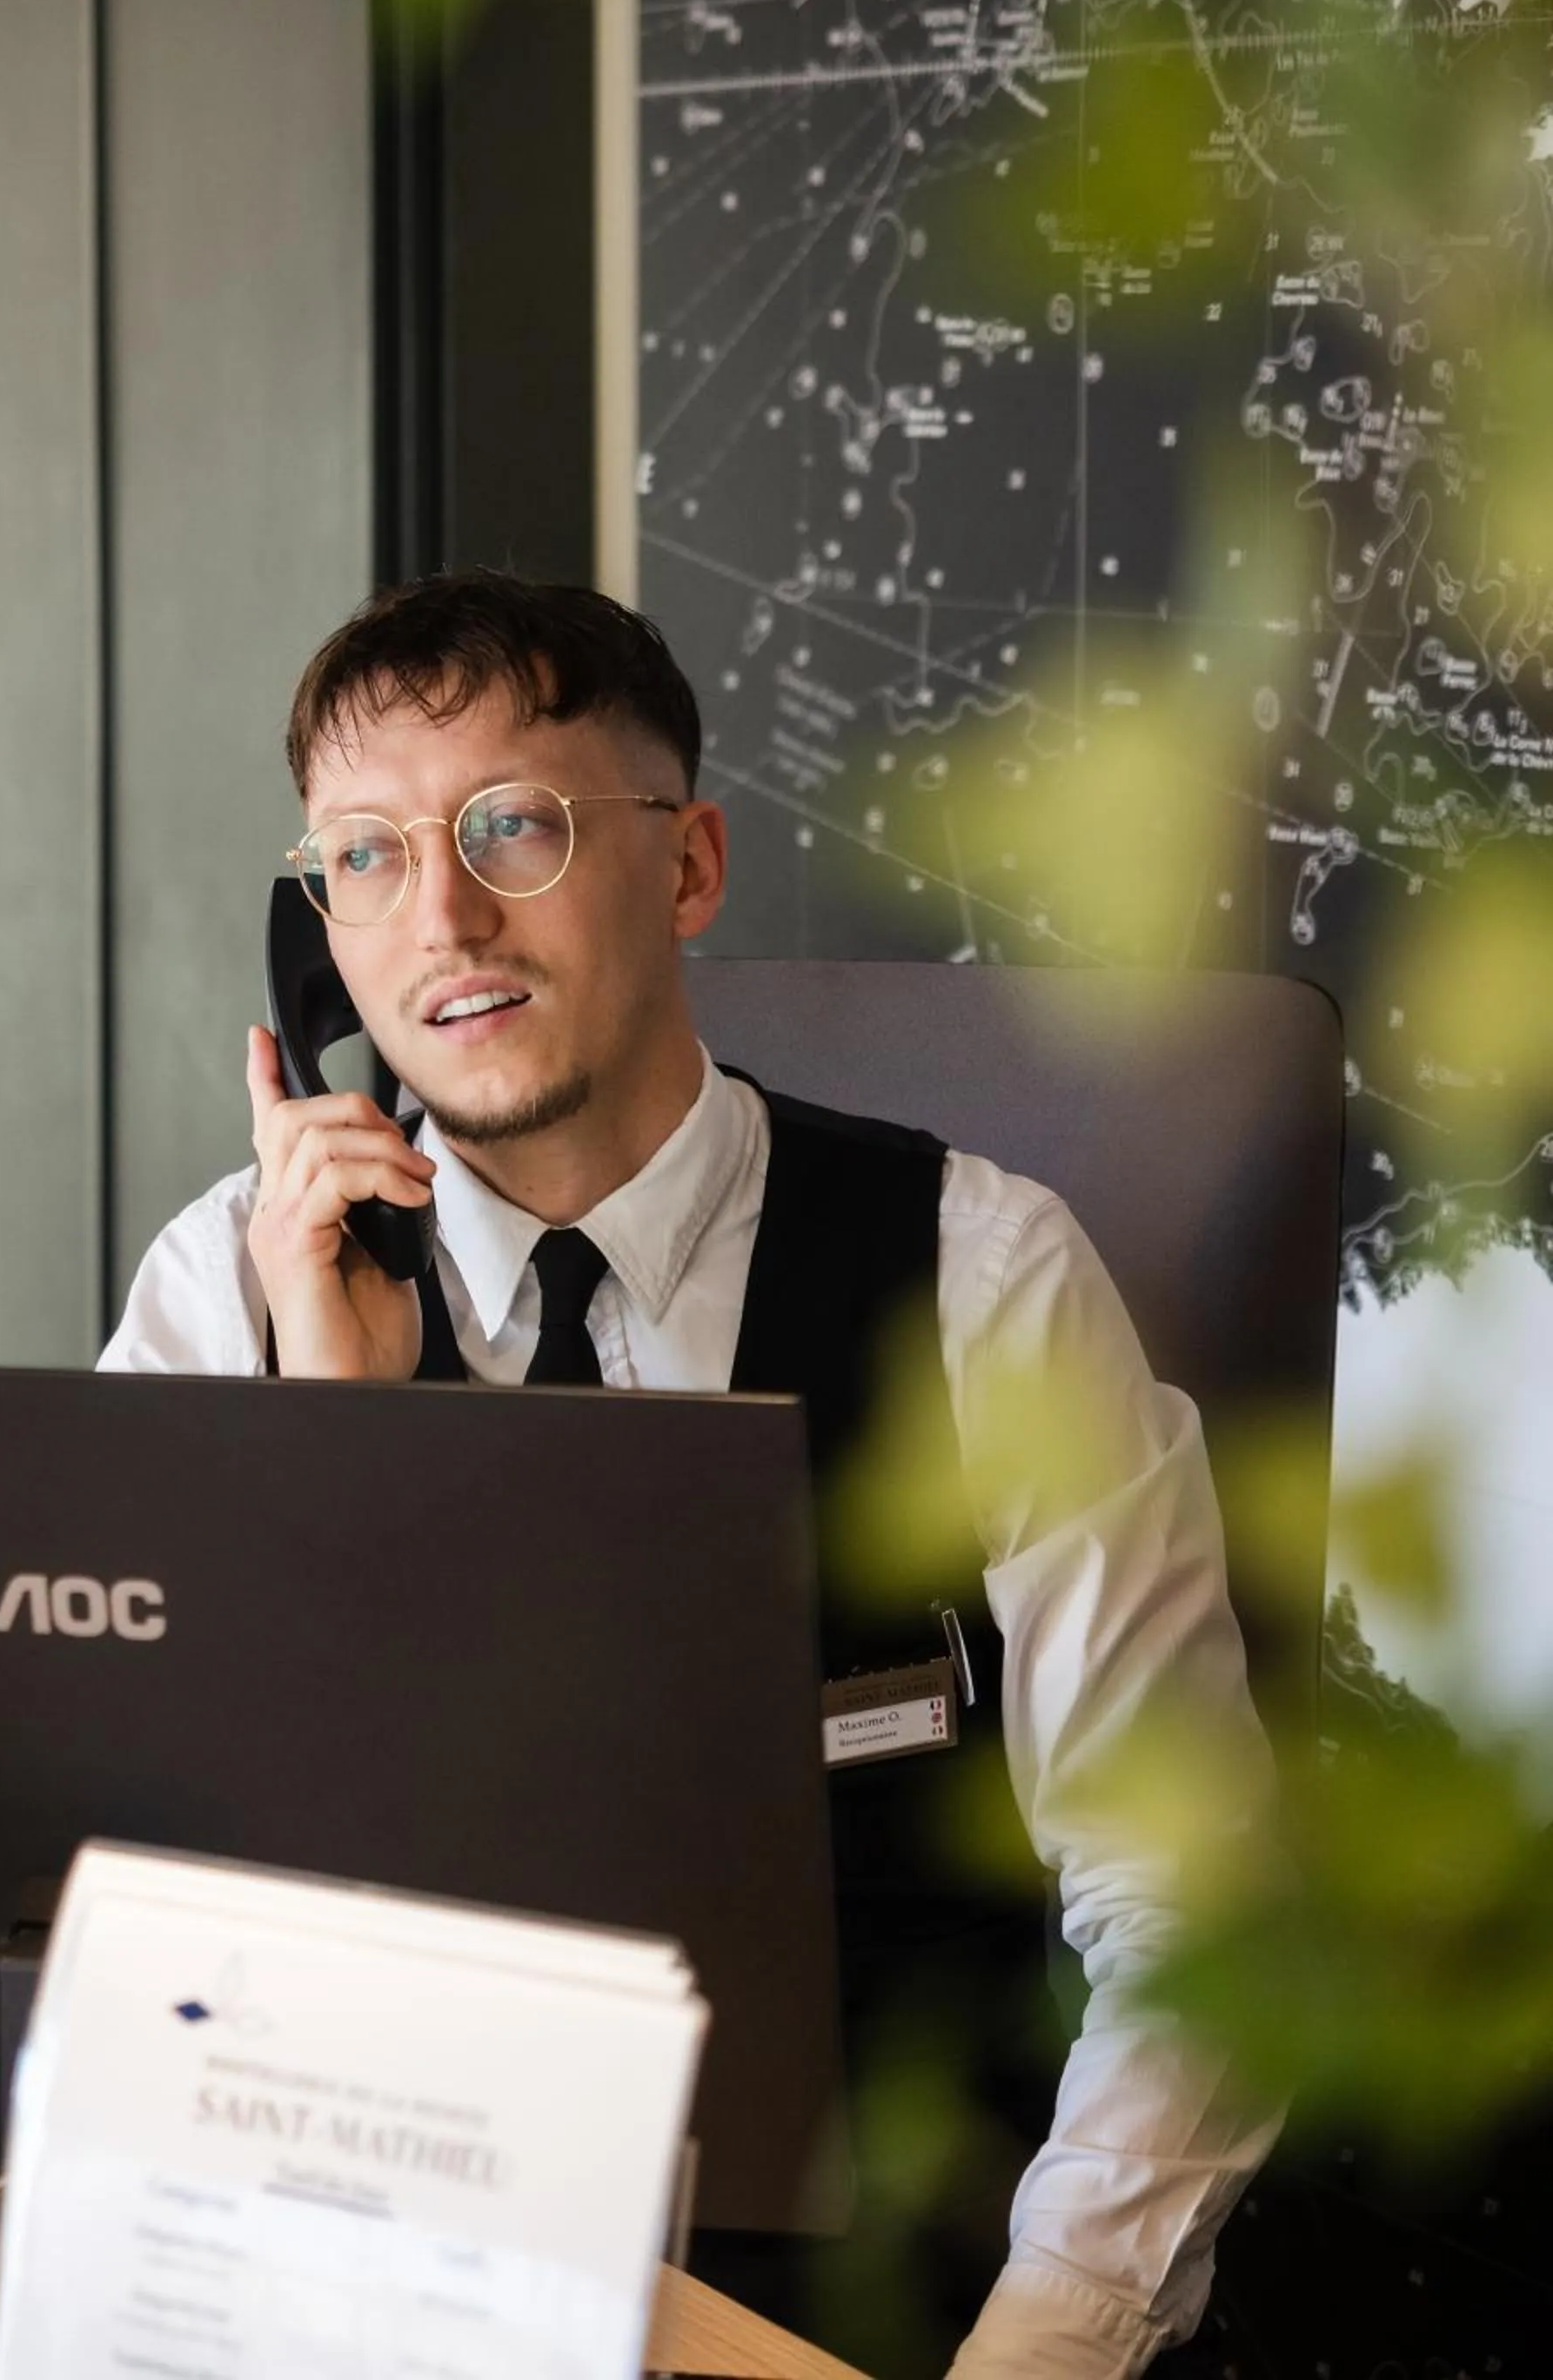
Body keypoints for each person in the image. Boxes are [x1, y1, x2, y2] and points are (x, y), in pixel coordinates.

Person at [101, 569, 1278, 2379]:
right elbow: (154, 1935)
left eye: (516, 828)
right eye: (366, 857)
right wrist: (331, 1456)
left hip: (874, 2301)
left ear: (691, 866)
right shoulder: (228, 1289)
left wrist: (1045, 2340)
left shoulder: (982, 1276)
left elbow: (1191, 1905)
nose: (444, 923)